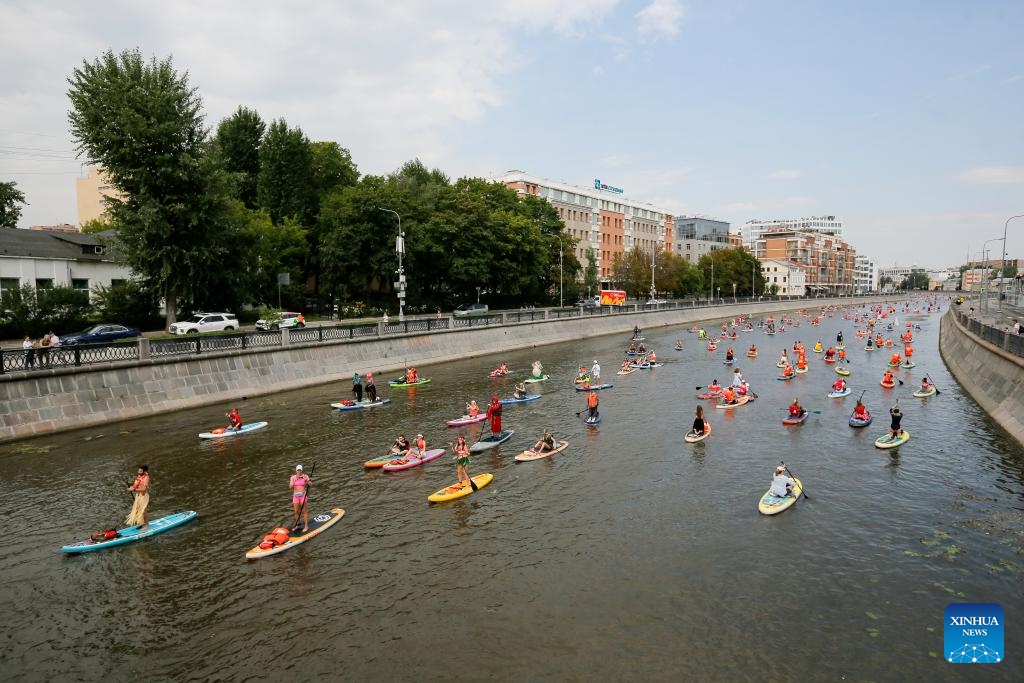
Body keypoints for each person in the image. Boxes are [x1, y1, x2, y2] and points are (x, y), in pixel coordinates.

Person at [126, 465, 151, 530]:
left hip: (143, 496)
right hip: (138, 496)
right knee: (138, 510)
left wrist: (133, 490)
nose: (138, 472)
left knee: (143, 511)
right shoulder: (139, 477)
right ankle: (142, 523)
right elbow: (135, 486)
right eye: (138, 470)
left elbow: (144, 489)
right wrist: (131, 488)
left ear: (144, 471)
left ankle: (146, 525)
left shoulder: (146, 478)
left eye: (140, 471)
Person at [290, 465, 311, 533]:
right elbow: (290, 486)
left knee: (304, 511)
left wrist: (307, 480)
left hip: (303, 496)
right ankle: (297, 525)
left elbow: (311, 485)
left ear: (302, 470)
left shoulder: (305, 476)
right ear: (296, 470)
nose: (299, 471)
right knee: (296, 512)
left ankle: (306, 526)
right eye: (298, 470)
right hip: (295, 496)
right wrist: (295, 480)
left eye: (300, 470)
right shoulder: (293, 477)